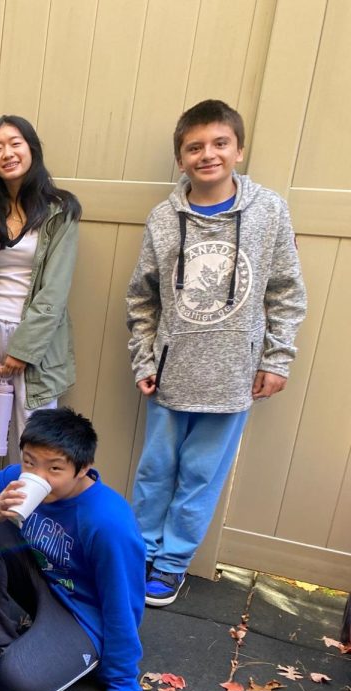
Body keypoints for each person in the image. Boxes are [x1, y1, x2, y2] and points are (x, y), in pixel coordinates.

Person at [126, 99, 307, 606]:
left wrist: (276, 358)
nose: (208, 154)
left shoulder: (268, 211)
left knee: (202, 476)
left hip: (232, 378)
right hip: (168, 375)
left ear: (239, 149)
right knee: (156, 469)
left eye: (219, 143)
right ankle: (139, 552)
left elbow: (286, 290)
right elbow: (142, 296)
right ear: (181, 158)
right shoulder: (163, 219)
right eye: (195, 147)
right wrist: (144, 359)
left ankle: (171, 563)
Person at [0, 409, 167, 691]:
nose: (38, 475)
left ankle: (58, 655)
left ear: (83, 469)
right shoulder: (17, 477)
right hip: (45, 585)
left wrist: (123, 681)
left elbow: (123, 602)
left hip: (84, 618)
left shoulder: (108, 521)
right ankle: (0, 645)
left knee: (17, 685)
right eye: (30, 461)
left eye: (54, 469)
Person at [0, 115, 82, 485]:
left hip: (37, 343)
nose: (7, 153)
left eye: (15, 143)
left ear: (32, 149)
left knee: (34, 435)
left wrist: (24, 350)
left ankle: (27, 519)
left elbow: (54, 293)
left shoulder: (61, 211)